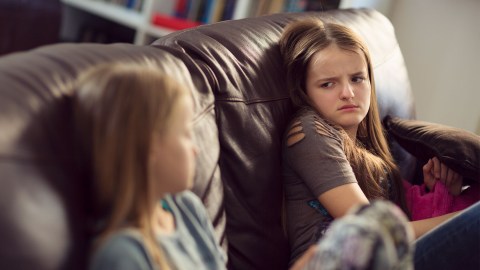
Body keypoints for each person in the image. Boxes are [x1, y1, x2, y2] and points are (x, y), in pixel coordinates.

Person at [279, 18, 480, 269]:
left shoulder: (369, 149)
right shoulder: (308, 129)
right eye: (328, 84)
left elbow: (398, 227)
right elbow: (372, 231)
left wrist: (441, 193)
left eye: (357, 79)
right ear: (304, 91)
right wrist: (463, 220)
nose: (348, 93)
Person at [73, 61, 227, 270]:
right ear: (151, 146)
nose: (196, 149)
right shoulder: (123, 255)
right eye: (186, 134)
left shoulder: (188, 208)